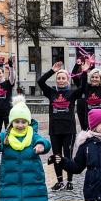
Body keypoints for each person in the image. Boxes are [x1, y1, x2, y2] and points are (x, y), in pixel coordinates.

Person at [37, 61, 84, 191]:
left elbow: (83, 87)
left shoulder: (72, 94)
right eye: (58, 78)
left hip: (69, 130)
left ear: (67, 80)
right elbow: (40, 81)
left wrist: (84, 71)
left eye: (63, 78)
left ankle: (69, 181)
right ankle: (59, 181)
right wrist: (52, 71)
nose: (61, 80)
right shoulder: (51, 92)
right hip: (55, 130)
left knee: (67, 156)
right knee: (57, 156)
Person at [72, 52, 101, 131]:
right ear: (90, 78)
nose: (94, 79)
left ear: (100, 79)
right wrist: (82, 69)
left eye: (97, 77)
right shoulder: (86, 88)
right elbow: (76, 78)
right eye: (92, 77)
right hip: (90, 120)